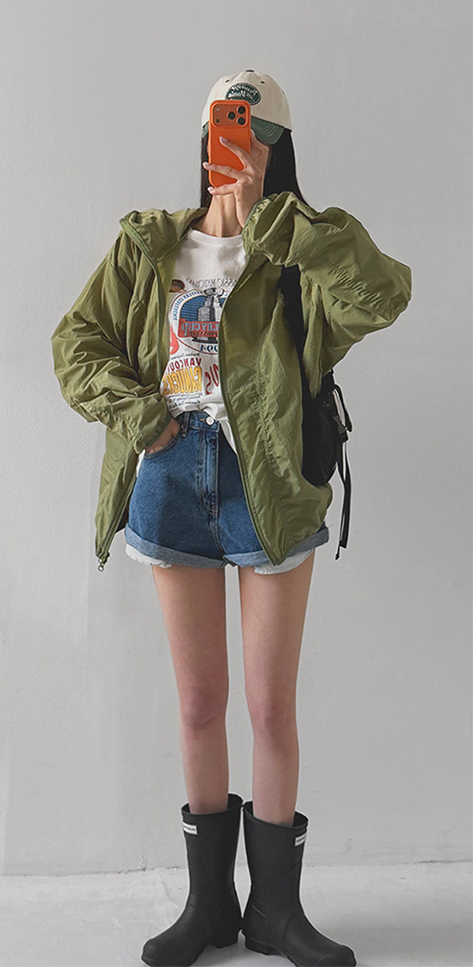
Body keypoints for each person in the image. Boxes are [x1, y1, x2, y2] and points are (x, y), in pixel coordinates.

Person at [50, 70, 411, 967]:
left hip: (270, 484)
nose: (235, 145)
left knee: (269, 706)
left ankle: (276, 914)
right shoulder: (149, 246)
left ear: (277, 148)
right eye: (223, 126)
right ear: (204, 135)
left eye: (254, 132)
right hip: (172, 476)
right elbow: (77, 342)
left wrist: (280, 225)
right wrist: (142, 415)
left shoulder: (301, 254)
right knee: (199, 704)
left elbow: (385, 295)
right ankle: (209, 906)